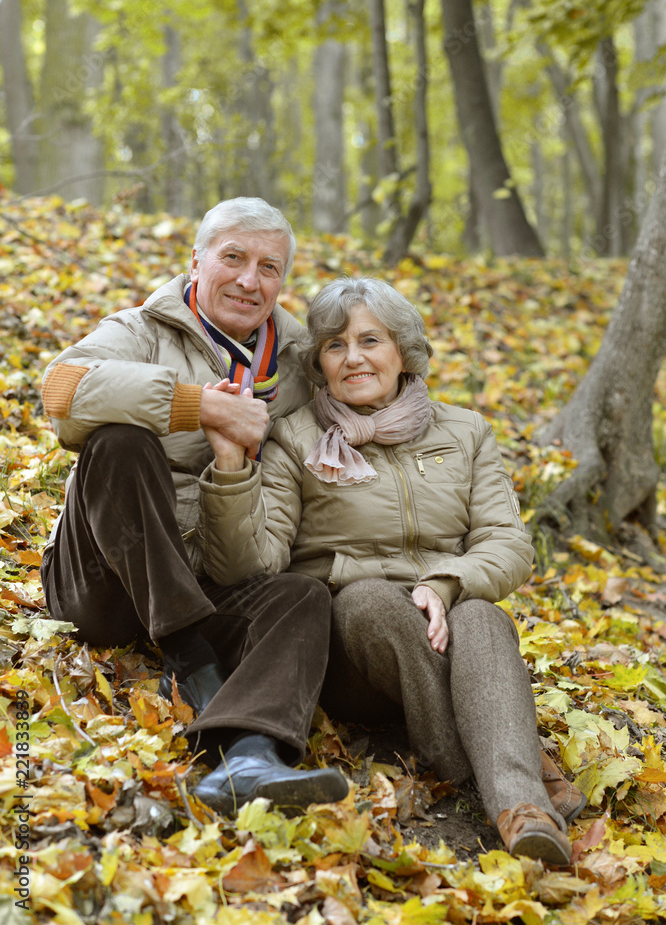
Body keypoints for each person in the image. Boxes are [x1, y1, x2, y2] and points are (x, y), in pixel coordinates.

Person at [196, 276, 585, 862]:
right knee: (372, 599)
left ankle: (520, 809)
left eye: (371, 340)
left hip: (451, 629)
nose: (353, 358)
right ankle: (503, 756)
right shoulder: (297, 439)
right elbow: (254, 561)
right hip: (353, 646)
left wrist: (444, 583)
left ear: (403, 351)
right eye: (334, 345)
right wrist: (229, 471)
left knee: (480, 614)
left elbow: (507, 542)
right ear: (318, 363)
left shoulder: (465, 431)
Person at [40, 197, 348, 813]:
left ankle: (251, 755)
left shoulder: (298, 364)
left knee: (303, 596)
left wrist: (234, 460)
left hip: (209, 574)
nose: (248, 279)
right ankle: (188, 655)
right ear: (197, 261)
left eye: (269, 267)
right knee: (121, 443)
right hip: (103, 584)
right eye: (233, 257)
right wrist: (196, 406)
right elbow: (59, 389)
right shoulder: (142, 330)